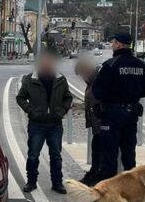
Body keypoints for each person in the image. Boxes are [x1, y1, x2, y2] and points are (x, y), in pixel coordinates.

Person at [91, 31, 145, 182]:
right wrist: (133, 94)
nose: (112, 45)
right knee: (129, 153)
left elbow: (98, 91)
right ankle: (131, 187)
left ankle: (109, 189)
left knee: (109, 154)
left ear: (119, 44)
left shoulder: (110, 65)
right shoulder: (142, 65)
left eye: (113, 43)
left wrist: (113, 96)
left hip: (112, 113)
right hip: (131, 112)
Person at [16, 51, 73, 194]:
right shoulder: (30, 80)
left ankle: (57, 183)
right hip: (37, 125)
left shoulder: (61, 79)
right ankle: (31, 182)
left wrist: (61, 111)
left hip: (55, 124)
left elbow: (68, 97)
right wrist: (31, 111)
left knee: (56, 156)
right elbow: (20, 98)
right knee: (33, 155)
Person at [75, 56, 103, 186]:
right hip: (97, 123)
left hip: (102, 123)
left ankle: (97, 176)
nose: (82, 78)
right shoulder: (92, 82)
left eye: (82, 74)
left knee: (100, 150)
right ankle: (94, 174)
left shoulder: (98, 80)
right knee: (96, 148)